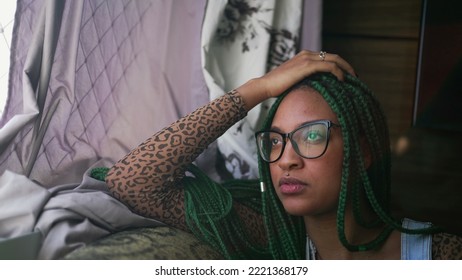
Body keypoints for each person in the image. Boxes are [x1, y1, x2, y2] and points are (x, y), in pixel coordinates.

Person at [105, 50, 462, 259]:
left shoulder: (440, 254)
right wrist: (257, 90)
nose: (286, 160)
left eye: (311, 136)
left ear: (362, 152)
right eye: (275, 141)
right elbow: (131, 183)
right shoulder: (273, 238)